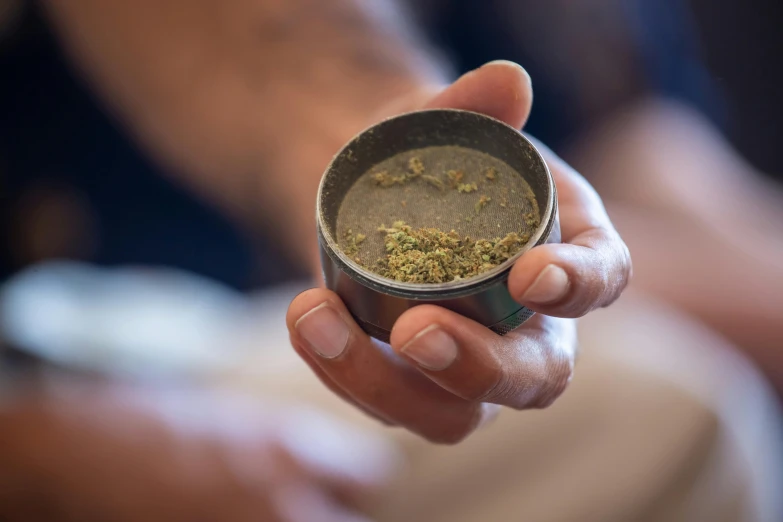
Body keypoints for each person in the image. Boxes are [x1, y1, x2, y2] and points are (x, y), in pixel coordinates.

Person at [0, 0, 780, 520]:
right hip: (73, 329)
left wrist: (359, 126)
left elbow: (642, 143)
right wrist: (28, 452)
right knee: (666, 418)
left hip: (185, 308)